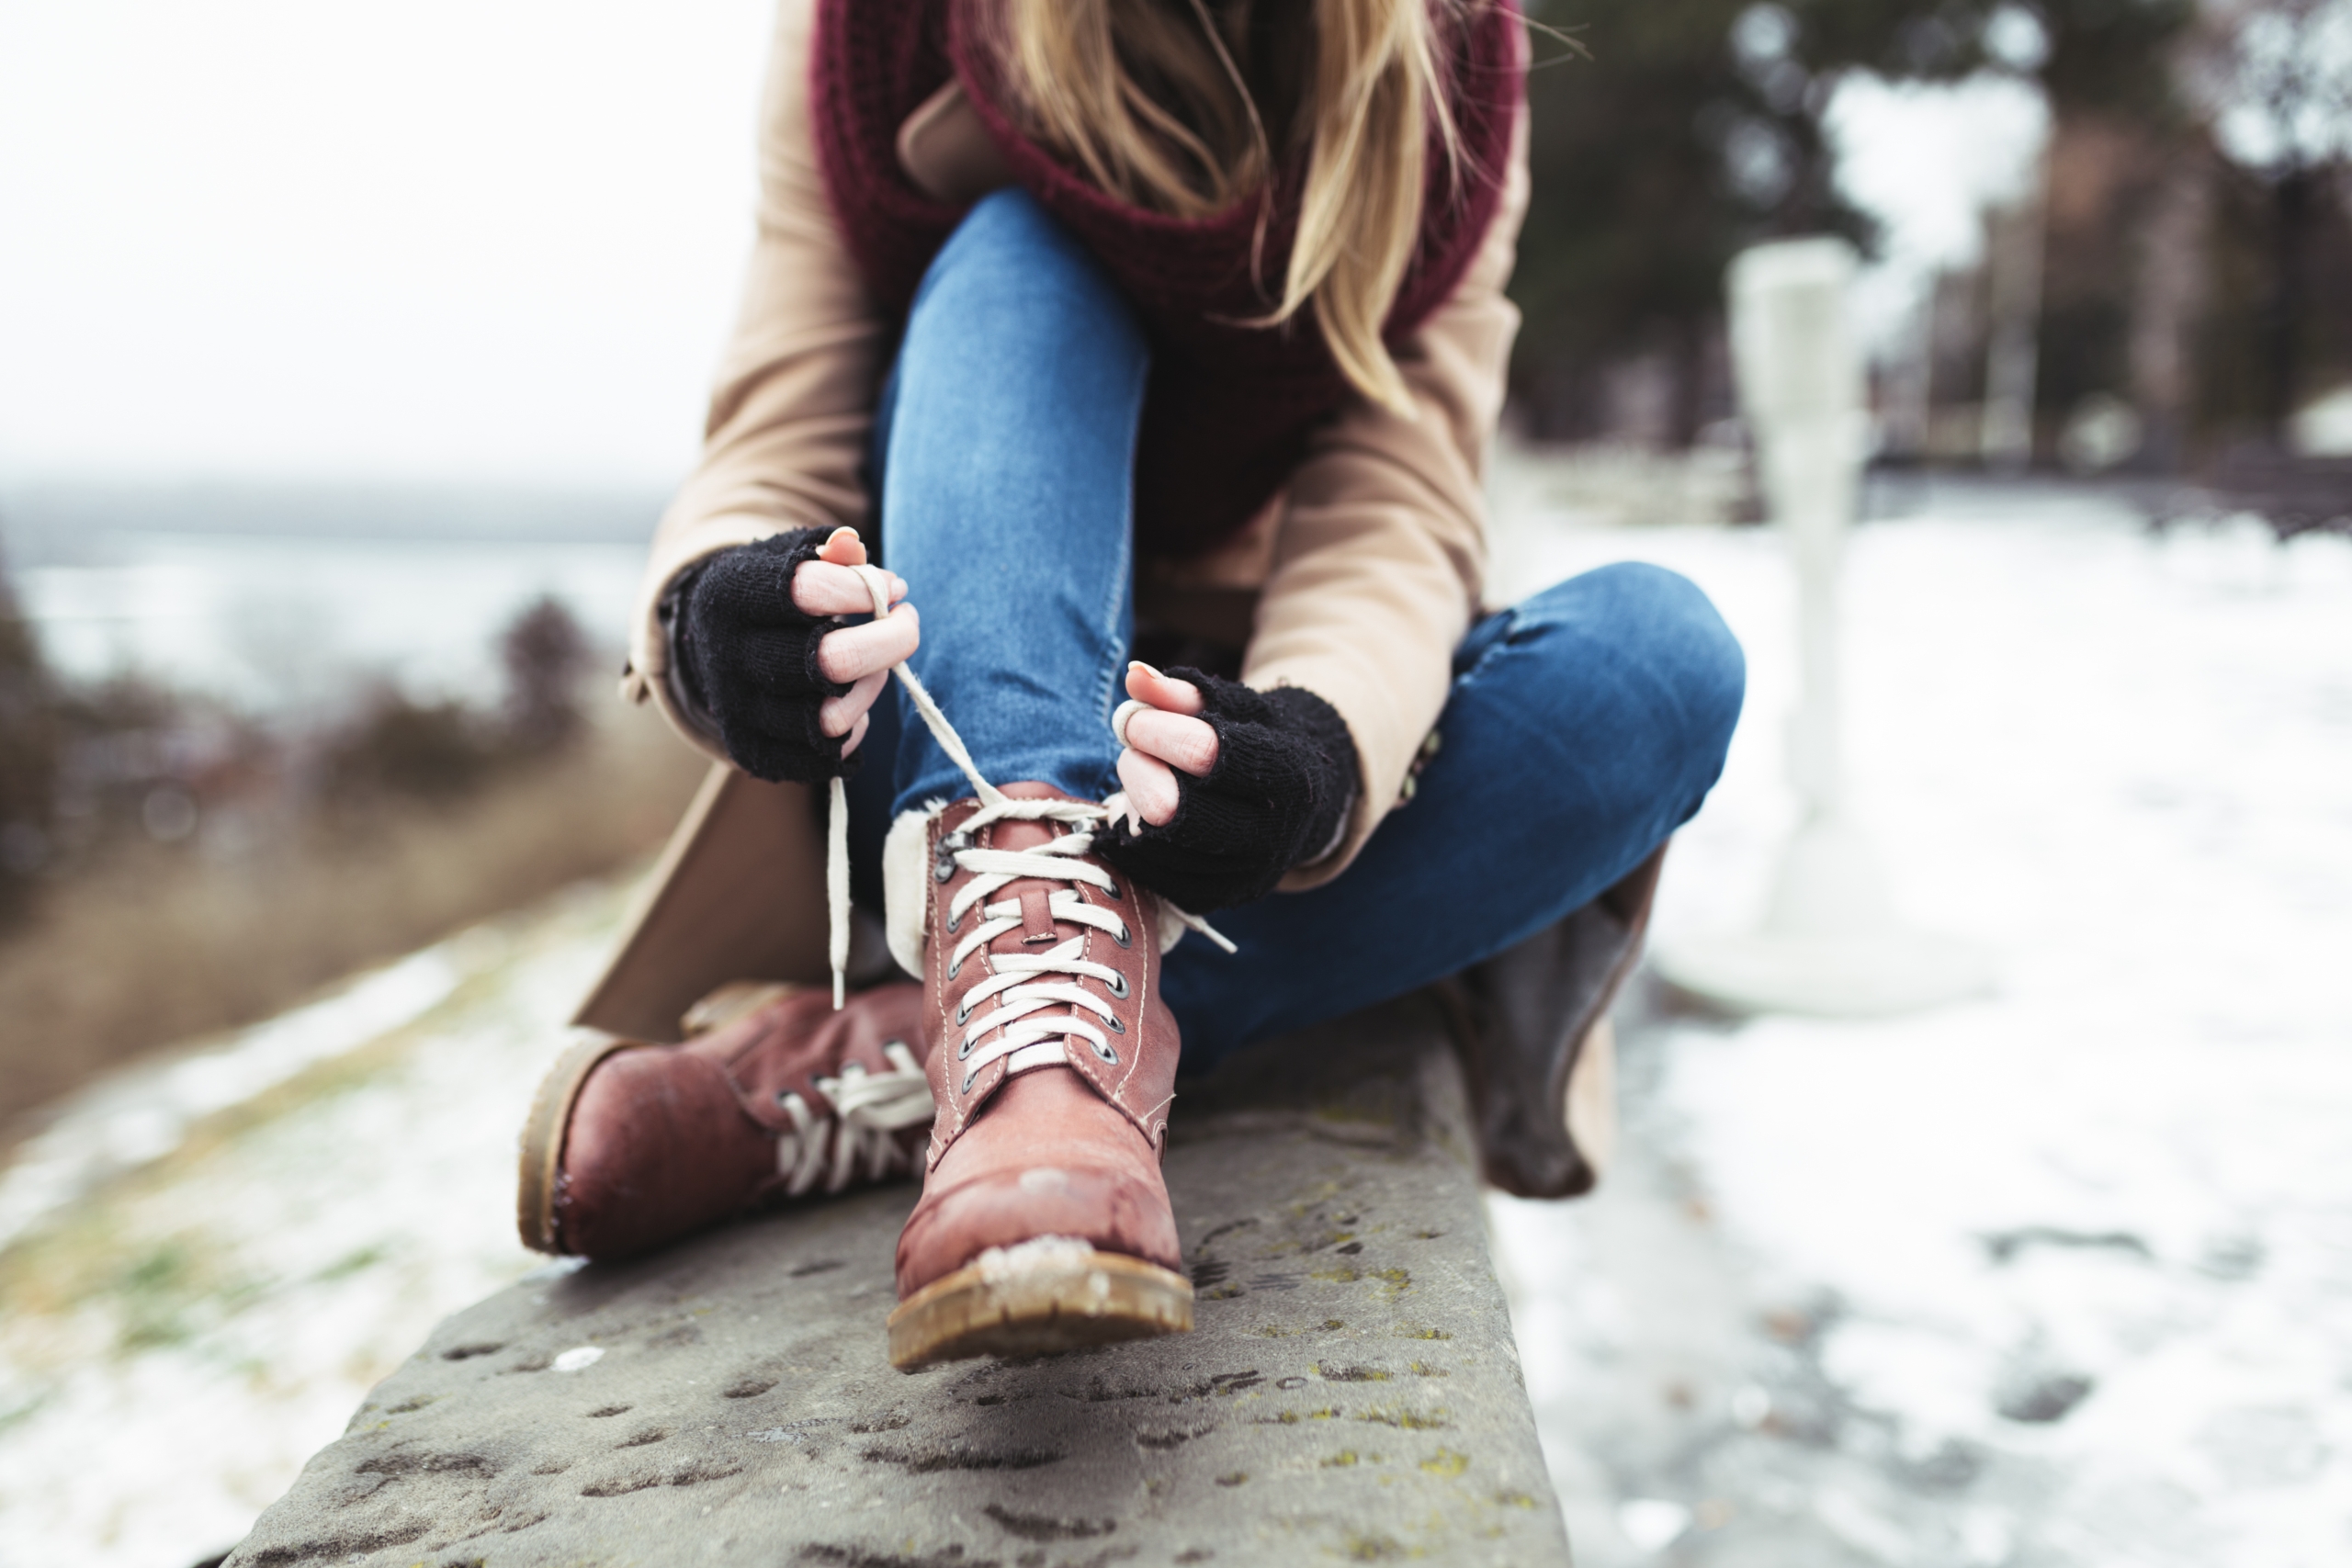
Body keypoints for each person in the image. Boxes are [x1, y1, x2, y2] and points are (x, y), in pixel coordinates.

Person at [514, 0, 1743, 1371]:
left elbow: (1397, 489)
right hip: (935, 713)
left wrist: (1315, 747)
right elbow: (781, 422)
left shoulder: (1449, 48)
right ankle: (1033, 1045)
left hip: (1208, 726)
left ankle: (915, 1053)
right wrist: (710, 617)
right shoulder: (862, 35)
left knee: (1659, 665)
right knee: (1015, 245)